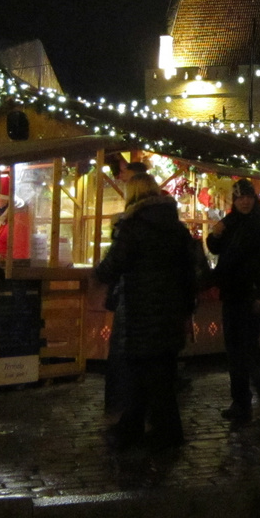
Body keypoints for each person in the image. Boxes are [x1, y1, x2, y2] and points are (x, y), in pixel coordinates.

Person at [95, 174, 200, 450]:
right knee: (156, 373)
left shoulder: (133, 226)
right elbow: (190, 271)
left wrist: (99, 272)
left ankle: (167, 434)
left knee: (149, 375)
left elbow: (112, 265)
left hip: (142, 313)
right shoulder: (176, 228)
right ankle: (133, 427)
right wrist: (186, 308)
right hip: (169, 313)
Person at [206, 178, 260, 427]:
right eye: (239, 198)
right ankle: (241, 401)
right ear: (234, 201)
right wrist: (214, 236)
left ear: (254, 198)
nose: (244, 202)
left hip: (253, 293)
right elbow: (215, 248)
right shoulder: (229, 223)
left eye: (248, 197)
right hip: (232, 293)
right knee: (234, 349)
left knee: (247, 347)